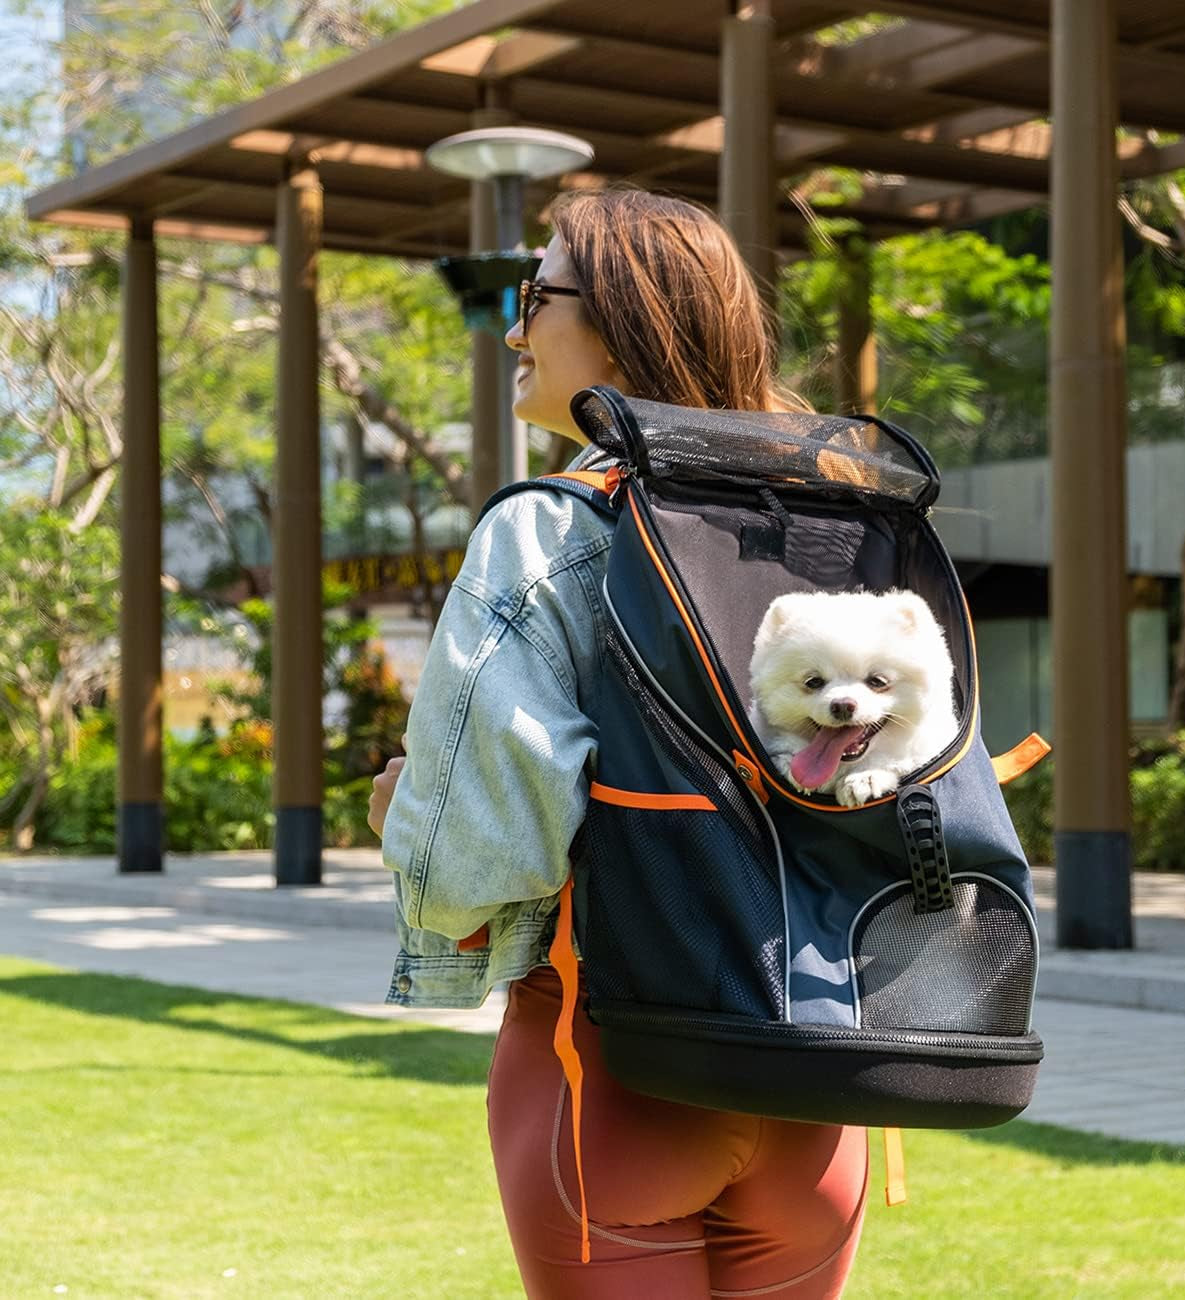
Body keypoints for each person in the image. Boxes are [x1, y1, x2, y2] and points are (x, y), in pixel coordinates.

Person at [368, 187, 868, 1299]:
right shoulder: (839, 517)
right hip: (822, 1077)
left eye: (532, 294)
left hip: (609, 1069)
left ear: (621, 315)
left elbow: (476, 865)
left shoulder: (551, 529)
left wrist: (405, 818)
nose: (512, 326)